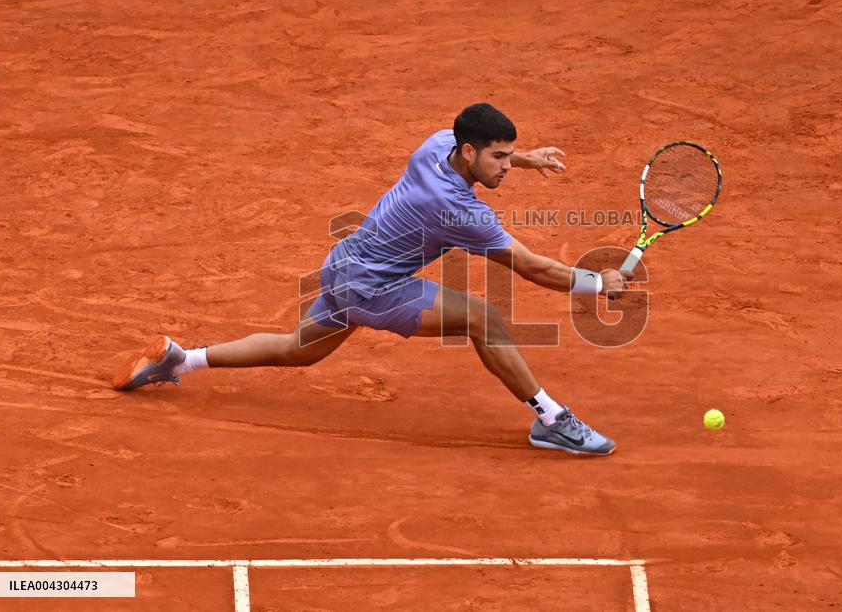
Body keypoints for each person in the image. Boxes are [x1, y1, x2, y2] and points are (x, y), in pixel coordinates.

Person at [113, 103, 629, 455]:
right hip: (374, 289)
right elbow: (533, 266)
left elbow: (486, 157)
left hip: (342, 265)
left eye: (507, 155)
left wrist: (525, 155)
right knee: (482, 316)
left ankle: (184, 358)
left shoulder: (434, 146)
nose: (506, 167)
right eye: (498, 157)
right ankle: (552, 420)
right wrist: (596, 284)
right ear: (468, 152)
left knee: (300, 349)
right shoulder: (458, 211)